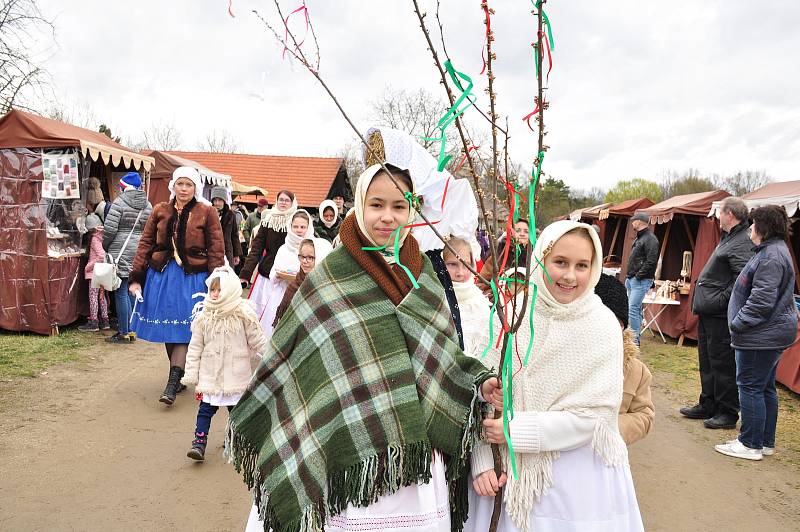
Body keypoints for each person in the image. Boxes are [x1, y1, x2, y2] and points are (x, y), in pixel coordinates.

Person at [231, 164, 501, 532]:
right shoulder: (331, 275)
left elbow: (443, 356)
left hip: (416, 454)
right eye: (376, 205)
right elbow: (300, 358)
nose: (387, 216)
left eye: (399, 206)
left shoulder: (423, 272)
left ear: (411, 209)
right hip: (346, 449)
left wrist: (478, 384)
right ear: (359, 206)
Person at [467, 220, 643, 532]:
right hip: (502, 477)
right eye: (560, 262)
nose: (570, 275)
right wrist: (482, 461)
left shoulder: (602, 326)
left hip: (573, 483)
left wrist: (515, 430)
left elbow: (595, 415)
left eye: (582, 265)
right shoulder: (511, 314)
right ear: (540, 260)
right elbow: (478, 393)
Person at [129, 166, 225, 406]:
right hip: (161, 276)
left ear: (196, 188)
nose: (184, 189)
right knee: (167, 327)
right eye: (180, 184)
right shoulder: (160, 210)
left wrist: (216, 280)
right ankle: (179, 374)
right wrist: (136, 277)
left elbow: (216, 248)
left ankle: (172, 382)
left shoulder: (207, 211)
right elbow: (146, 243)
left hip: (192, 277)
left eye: (189, 185)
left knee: (185, 329)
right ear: (173, 186)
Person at [715, 205, 798, 461]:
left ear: (763, 227)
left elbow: (761, 301)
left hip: (759, 335)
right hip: (767, 333)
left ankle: (750, 443)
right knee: (764, 388)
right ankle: (763, 441)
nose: (750, 228)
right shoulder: (772, 251)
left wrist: (738, 323)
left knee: (750, 386)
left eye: (753, 224)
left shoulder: (771, 256)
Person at [180, 266, 270, 461]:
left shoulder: (242, 313)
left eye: (219, 289)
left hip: (235, 374)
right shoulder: (205, 316)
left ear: (230, 289)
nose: (215, 294)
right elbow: (195, 347)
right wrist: (191, 373)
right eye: (212, 289)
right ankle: (199, 442)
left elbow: (257, 339)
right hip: (210, 375)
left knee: (235, 412)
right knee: (205, 410)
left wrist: (272, 354)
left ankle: (235, 440)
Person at [681, 197, 754, 429]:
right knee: (707, 360)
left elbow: (742, 279)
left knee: (722, 363)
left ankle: (727, 412)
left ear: (730, 214)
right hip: (709, 312)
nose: (718, 217)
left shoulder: (742, 240)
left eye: (720, 213)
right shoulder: (730, 237)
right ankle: (708, 403)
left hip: (720, 314)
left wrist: (719, 301)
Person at [595, 273, 655, 445]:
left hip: (606, 458)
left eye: (615, 323)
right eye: (598, 321)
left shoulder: (636, 371)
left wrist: (608, 428)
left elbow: (644, 415)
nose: (606, 329)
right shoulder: (562, 359)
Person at [102, 172, 152, 343]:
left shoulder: (119, 202)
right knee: (133, 289)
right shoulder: (148, 205)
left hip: (120, 249)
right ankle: (132, 329)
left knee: (121, 290)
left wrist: (106, 247)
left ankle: (124, 331)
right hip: (139, 250)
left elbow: (109, 230)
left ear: (123, 187)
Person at [250, 210, 314, 335]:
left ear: (308, 227)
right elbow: (274, 270)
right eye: (295, 226)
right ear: (290, 227)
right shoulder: (284, 247)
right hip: (281, 293)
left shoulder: (314, 247)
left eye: (302, 227)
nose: (299, 230)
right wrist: (279, 275)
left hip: (303, 293)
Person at [444, 237, 492, 358]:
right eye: (452, 264)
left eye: (466, 265)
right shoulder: (435, 298)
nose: (460, 272)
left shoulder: (479, 303)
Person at [239, 190, 297, 286]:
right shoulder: (268, 220)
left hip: (288, 274)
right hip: (267, 272)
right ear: (276, 201)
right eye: (281, 199)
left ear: (292, 203)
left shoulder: (297, 221)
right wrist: (246, 274)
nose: (283, 202)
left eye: (287, 200)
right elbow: (256, 249)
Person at [272, 237, 333, 328]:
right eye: (302, 256)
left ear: (321, 257)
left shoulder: (328, 288)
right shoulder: (295, 284)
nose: (304, 261)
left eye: (310, 257)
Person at [625, 212, 659, 345]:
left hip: (640, 280)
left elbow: (651, 261)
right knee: (635, 309)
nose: (632, 222)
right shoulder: (640, 237)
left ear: (639, 222)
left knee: (632, 308)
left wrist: (638, 276)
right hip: (633, 279)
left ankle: (634, 342)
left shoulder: (650, 239)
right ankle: (634, 339)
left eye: (634, 220)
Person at [477, 218, 531, 298]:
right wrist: (499, 299)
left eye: (526, 231)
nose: (522, 234)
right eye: (518, 230)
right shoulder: (500, 254)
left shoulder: (534, 258)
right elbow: (482, 284)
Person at [79, 213, 110, 332]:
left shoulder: (94, 239)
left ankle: (94, 321)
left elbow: (101, 256)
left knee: (93, 296)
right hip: (103, 271)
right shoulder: (104, 236)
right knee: (102, 296)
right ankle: (105, 319)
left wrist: (88, 266)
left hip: (95, 272)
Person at [210, 186, 243, 268]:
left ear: (224, 201)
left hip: (227, 251)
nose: (217, 203)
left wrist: (236, 254)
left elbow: (234, 235)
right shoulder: (208, 213)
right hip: (211, 251)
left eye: (220, 200)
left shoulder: (230, 215)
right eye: (215, 200)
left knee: (227, 276)